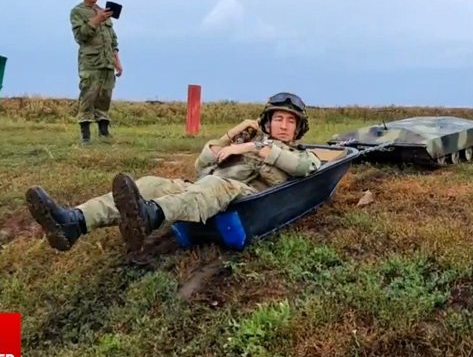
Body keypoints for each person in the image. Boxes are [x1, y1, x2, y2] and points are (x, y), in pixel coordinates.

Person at [25, 92, 322, 254]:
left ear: (298, 129)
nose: (283, 125)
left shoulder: (297, 154)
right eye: (278, 119)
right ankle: (75, 221)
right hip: (204, 188)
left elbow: (305, 168)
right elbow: (203, 164)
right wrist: (232, 136)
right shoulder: (245, 142)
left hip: (241, 196)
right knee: (151, 184)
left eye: (290, 121)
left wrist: (248, 150)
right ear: (267, 123)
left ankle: (150, 216)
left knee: (215, 186)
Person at [70, 0, 123, 143]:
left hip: (107, 62)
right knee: (88, 95)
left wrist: (117, 62)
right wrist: (96, 20)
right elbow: (80, 36)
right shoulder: (78, 12)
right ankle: (85, 135)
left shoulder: (104, 12)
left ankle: (104, 133)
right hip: (91, 63)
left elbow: (112, 40)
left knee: (104, 97)